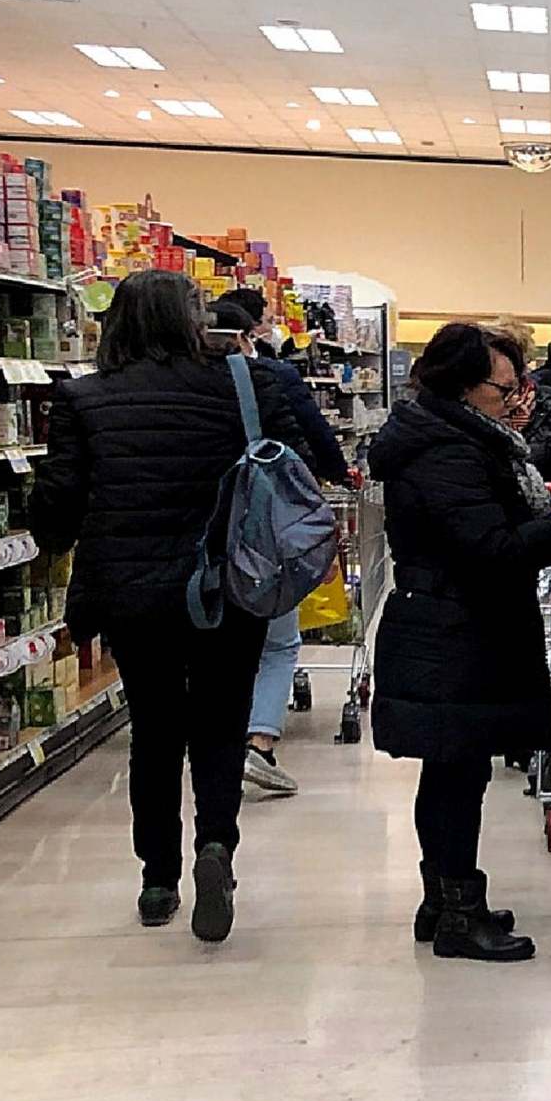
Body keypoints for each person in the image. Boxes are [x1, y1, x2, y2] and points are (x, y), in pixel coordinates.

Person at [30, 269, 306, 941]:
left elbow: (57, 508)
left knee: (155, 729)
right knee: (220, 724)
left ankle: (158, 877)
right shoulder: (240, 386)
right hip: (226, 587)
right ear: (192, 322)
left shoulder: (83, 398)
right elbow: (289, 465)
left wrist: (60, 532)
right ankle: (217, 846)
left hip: (132, 594)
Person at [367, 323, 551, 961]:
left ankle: (443, 899)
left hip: (450, 623)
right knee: (457, 775)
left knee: (454, 771)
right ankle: (459, 914)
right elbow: (492, 549)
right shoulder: (448, 451)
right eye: (502, 388)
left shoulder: (451, 436)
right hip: (455, 628)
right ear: (462, 385)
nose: (515, 400)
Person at [211, 293, 348, 798]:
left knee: (214, 646)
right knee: (278, 641)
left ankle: (215, 743)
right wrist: (331, 485)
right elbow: (301, 447)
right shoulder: (269, 379)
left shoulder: (171, 386)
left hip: (198, 542)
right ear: (248, 334)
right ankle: (260, 741)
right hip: (260, 534)